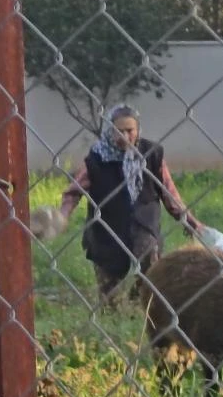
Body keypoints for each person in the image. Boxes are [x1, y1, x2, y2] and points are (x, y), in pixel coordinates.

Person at [57, 103, 205, 304]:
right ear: (110, 130)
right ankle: (111, 312)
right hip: (107, 226)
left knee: (150, 264)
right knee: (108, 285)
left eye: (130, 130)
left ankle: (140, 301)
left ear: (138, 130)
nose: (125, 136)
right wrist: (62, 215)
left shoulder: (151, 154)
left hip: (143, 222)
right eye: (119, 131)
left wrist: (189, 220)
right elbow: (74, 191)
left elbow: (169, 192)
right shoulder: (97, 157)